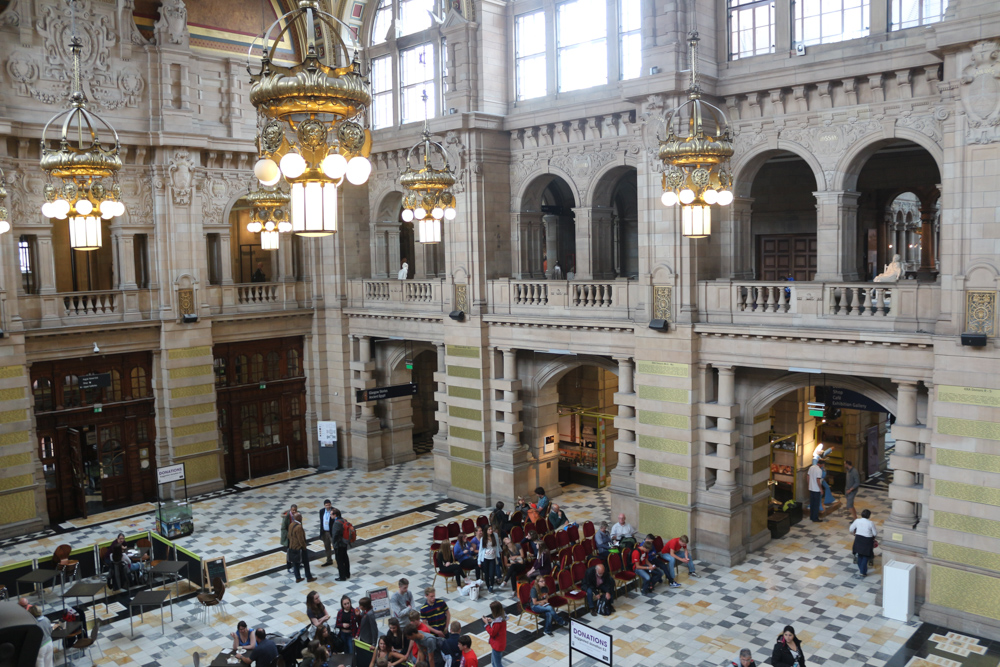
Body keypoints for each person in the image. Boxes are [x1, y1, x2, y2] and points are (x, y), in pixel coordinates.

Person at [288, 512, 317, 583]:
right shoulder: (299, 527)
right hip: (299, 548)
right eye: (301, 517)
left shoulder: (291, 524)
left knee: (295, 563)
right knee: (306, 563)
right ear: (299, 518)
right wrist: (304, 547)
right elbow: (301, 539)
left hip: (292, 547)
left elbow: (288, 536)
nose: (302, 518)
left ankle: (298, 577)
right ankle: (309, 577)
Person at [850, 509, 878, 578]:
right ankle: (863, 571)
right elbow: (875, 533)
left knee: (860, 555)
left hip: (858, 539)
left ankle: (862, 571)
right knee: (866, 556)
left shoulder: (857, 521)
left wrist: (854, 533)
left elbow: (851, 529)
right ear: (869, 516)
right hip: (867, 540)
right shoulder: (870, 523)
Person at [484, 601, 507, 667]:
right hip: (500, 643)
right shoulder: (502, 618)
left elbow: (492, 633)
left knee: (497, 664)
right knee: (494, 663)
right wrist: (492, 621)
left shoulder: (498, 623)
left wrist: (486, 624)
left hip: (497, 645)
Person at [477, 525, 499, 593]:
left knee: (492, 574)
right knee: (486, 573)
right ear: (486, 531)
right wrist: (479, 561)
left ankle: (491, 585)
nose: (491, 530)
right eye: (489, 529)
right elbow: (480, 550)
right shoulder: (483, 538)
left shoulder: (494, 536)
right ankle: (488, 585)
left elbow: (497, 545)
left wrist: (498, 555)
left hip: (492, 558)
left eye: (491, 529)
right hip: (485, 558)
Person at [331, 508, 351, 581]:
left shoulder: (336, 523)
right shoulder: (344, 520)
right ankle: (347, 573)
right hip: (344, 543)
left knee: (339, 561)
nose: (330, 516)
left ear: (335, 515)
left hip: (339, 545)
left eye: (331, 514)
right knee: (345, 558)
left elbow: (335, 535)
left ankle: (342, 576)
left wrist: (333, 544)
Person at [280, 503, 298, 572]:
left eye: (295, 510)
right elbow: (283, 528)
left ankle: (297, 564)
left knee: (296, 550)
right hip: (289, 537)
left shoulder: (297, 514)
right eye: (293, 510)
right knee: (289, 552)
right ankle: (289, 566)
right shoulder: (286, 516)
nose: (294, 512)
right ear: (291, 510)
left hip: (296, 536)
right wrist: (289, 535)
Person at [318, 500, 336, 567]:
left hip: (332, 532)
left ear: (330, 504)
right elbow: (321, 522)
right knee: (327, 547)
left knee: (335, 546)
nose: (327, 506)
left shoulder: (334, 511)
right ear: (324, 505)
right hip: (325, 532)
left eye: (328, 505)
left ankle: (339, 560)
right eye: (326, 505)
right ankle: (329, 560)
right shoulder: (321, 511)